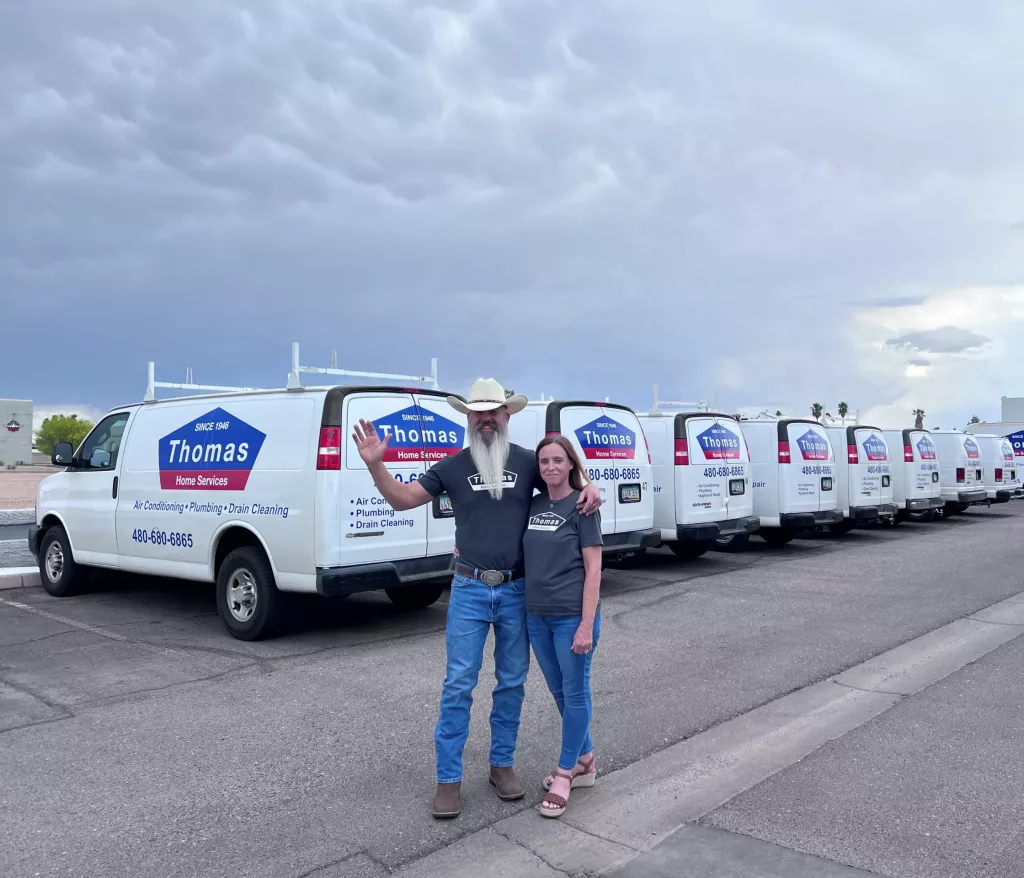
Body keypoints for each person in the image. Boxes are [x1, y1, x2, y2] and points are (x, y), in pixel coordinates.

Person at [351, 378, 602, 819]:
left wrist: (592, 487)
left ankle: (500, 765)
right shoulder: (450, 466)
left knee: (511, 684)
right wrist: (376, 466)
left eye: (494, 412)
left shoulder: (528, 463)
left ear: (507, 417)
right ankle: (448, 779)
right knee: (458, 685)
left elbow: (565, 483)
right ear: (468, 418)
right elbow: (404, 499)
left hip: (515, 589)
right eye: (478, 413)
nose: (486, 420)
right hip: (468, 588)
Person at [523, 435, 604, 818]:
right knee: (559, 691)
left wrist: (586, 624)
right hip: (536, 615)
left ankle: (564, 773)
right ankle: (584, 760)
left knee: (575, 691)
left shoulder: (584, 507)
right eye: (544, 462)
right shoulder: (536, 503)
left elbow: (594, 570)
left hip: (572, 616)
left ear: (571, 463)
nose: (551, 467)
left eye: (558, 460)